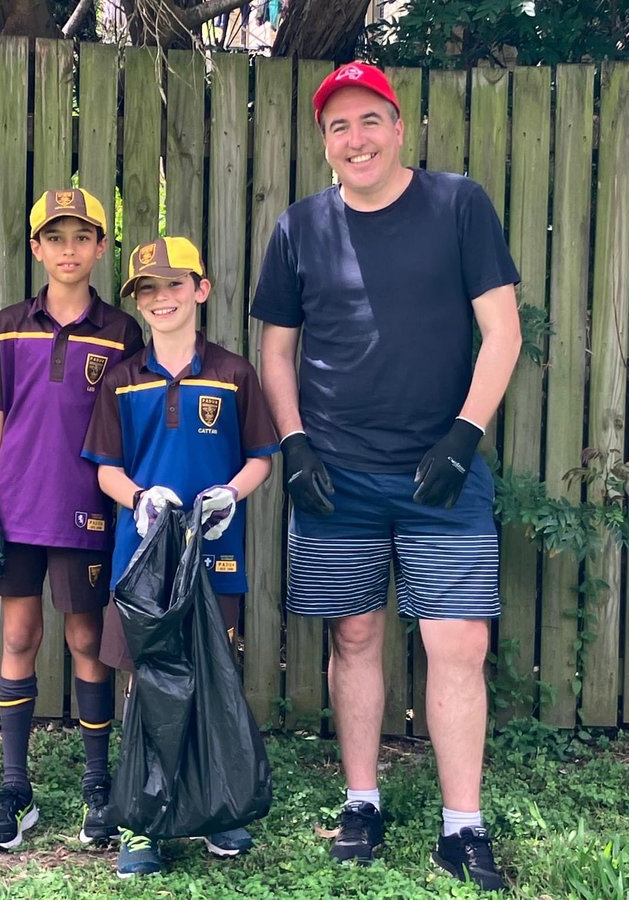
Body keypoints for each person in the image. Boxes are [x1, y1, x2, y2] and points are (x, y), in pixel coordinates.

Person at [250, 63, 522, 892]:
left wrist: (466, 434)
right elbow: (276, 350)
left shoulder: (458, 205)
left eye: (370, 121)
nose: (356, 139)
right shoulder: (300, 226)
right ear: (324, 141)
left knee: (459, 642)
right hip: (336, 473)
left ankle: (460, 825)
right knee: (354, 636)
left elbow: (502, 333)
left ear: (400, 127)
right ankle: (361, 801)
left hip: (444, 470)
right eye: (339, 127)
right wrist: (294, 443)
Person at [82, 236, 279, 878]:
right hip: (143, 558)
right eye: (147, 289)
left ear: (202, 289)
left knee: (214, 671)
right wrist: (138, 498)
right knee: (146, 681)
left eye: (173, 285)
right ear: (137, 303)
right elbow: (106, 470)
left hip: (214, 551)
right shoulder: (121, 379)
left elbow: (259, 458)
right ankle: (142, 823)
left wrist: (231, 492)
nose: (161, 298)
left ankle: (217, 808)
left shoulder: (233, 372)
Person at [0, 189, 144, 851]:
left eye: (82, 237)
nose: (68, 250)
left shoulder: (121, 331)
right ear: (36, 248)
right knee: (18, 635)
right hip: (14, 512)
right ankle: (16, 786)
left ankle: (99, 786)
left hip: (87, 514)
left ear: (101, 247)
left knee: (86, 641)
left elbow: (130, 425)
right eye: (55, 237)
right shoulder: (10, 324)